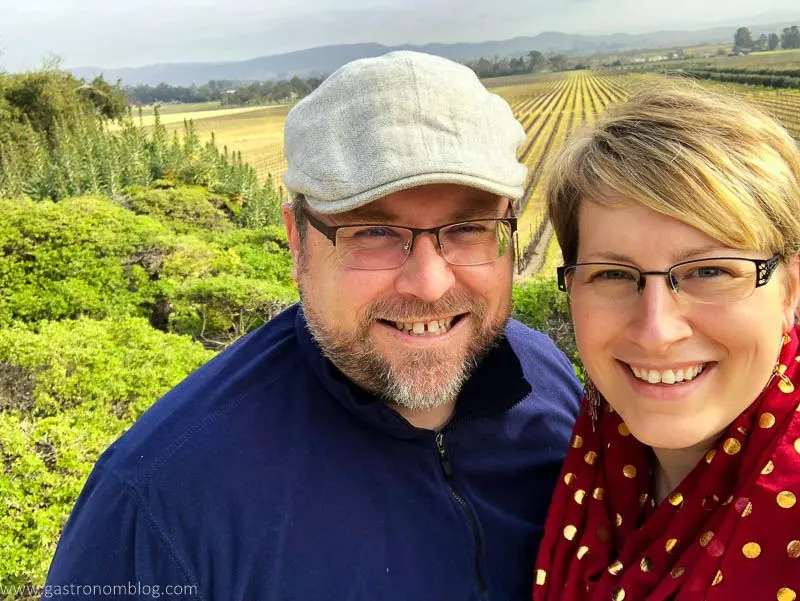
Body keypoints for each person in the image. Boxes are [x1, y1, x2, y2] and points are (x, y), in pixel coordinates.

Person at [43, 51, 581, 601]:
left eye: (468, 227)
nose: (430, 283)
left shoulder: (551, 385)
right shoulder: (161, 499)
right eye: (373, 231)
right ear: (297, 240)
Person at [533, 83, 800, 601]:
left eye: (710, 270)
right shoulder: (591, 447)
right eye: (612, 274)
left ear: (792, 289)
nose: (656, 332)